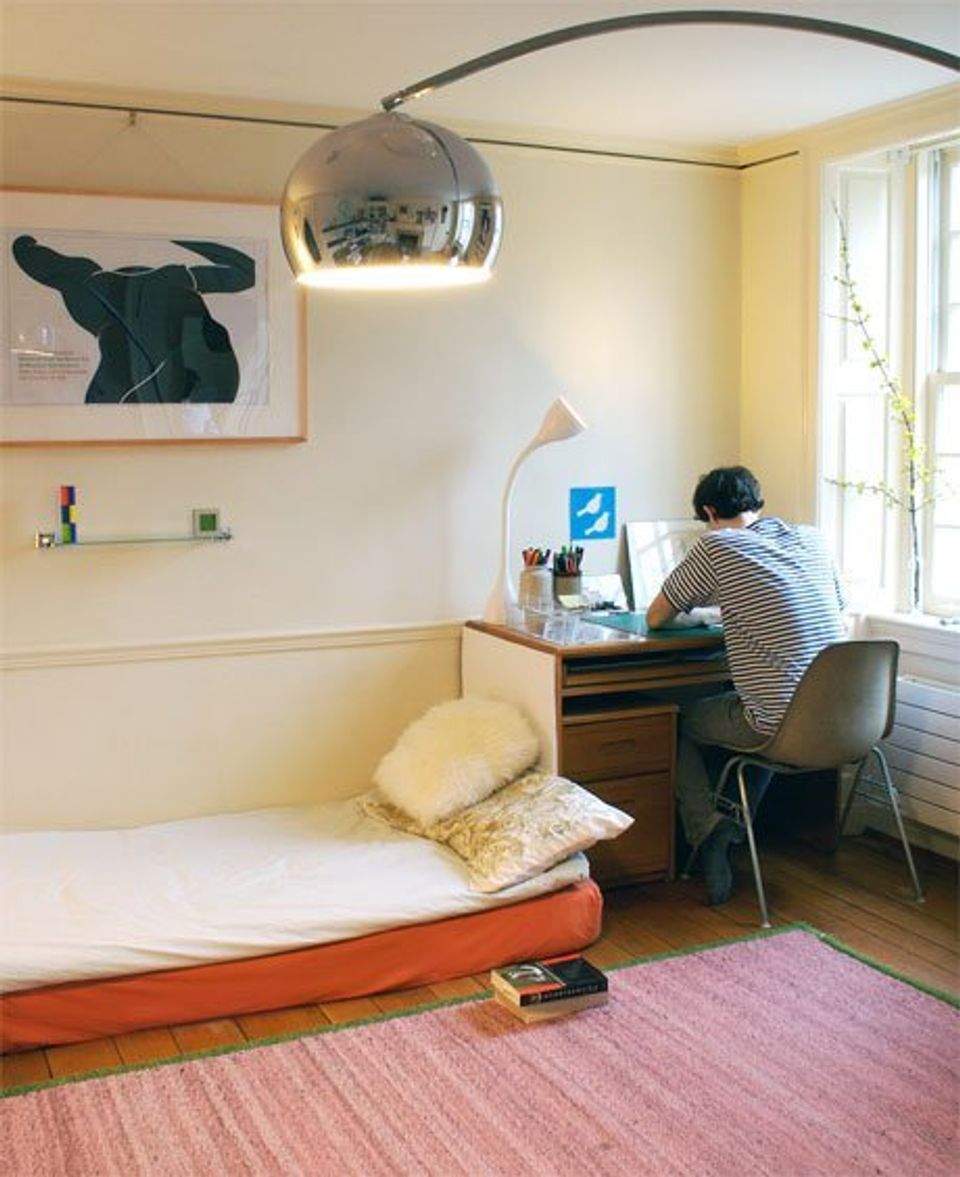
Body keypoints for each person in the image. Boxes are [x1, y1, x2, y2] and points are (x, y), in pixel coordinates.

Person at [646, 466, 847, 906]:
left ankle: (709, 829)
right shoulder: (812, 538)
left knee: (679, 722)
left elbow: (656, 616)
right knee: (765, 715)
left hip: (778, 724)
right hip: (845, 722)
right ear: (758, 502)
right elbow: (838, 605)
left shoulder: (717, 544)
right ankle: (737, 828)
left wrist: (706, 612)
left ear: (709, 511)